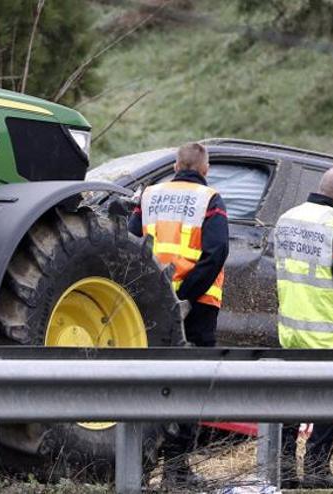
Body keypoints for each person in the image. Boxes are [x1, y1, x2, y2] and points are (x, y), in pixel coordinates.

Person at [128, 141, 229, 487]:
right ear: (205, 168)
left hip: (150, 302)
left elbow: (130, 244)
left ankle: (138, 468)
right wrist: (185, 296)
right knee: (191, 383)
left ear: (175, 165)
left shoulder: (150, 195)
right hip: (197, 306)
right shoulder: (210, 199)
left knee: (148, 380)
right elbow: (216, 252)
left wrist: (158, 293)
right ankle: (176, 468)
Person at [274, 166, 333, 490]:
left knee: (290, 402)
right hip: (328, 333)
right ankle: (316, 469)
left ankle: (284, 467)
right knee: (329, 401)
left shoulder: (288, 218)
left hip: (290, 330)